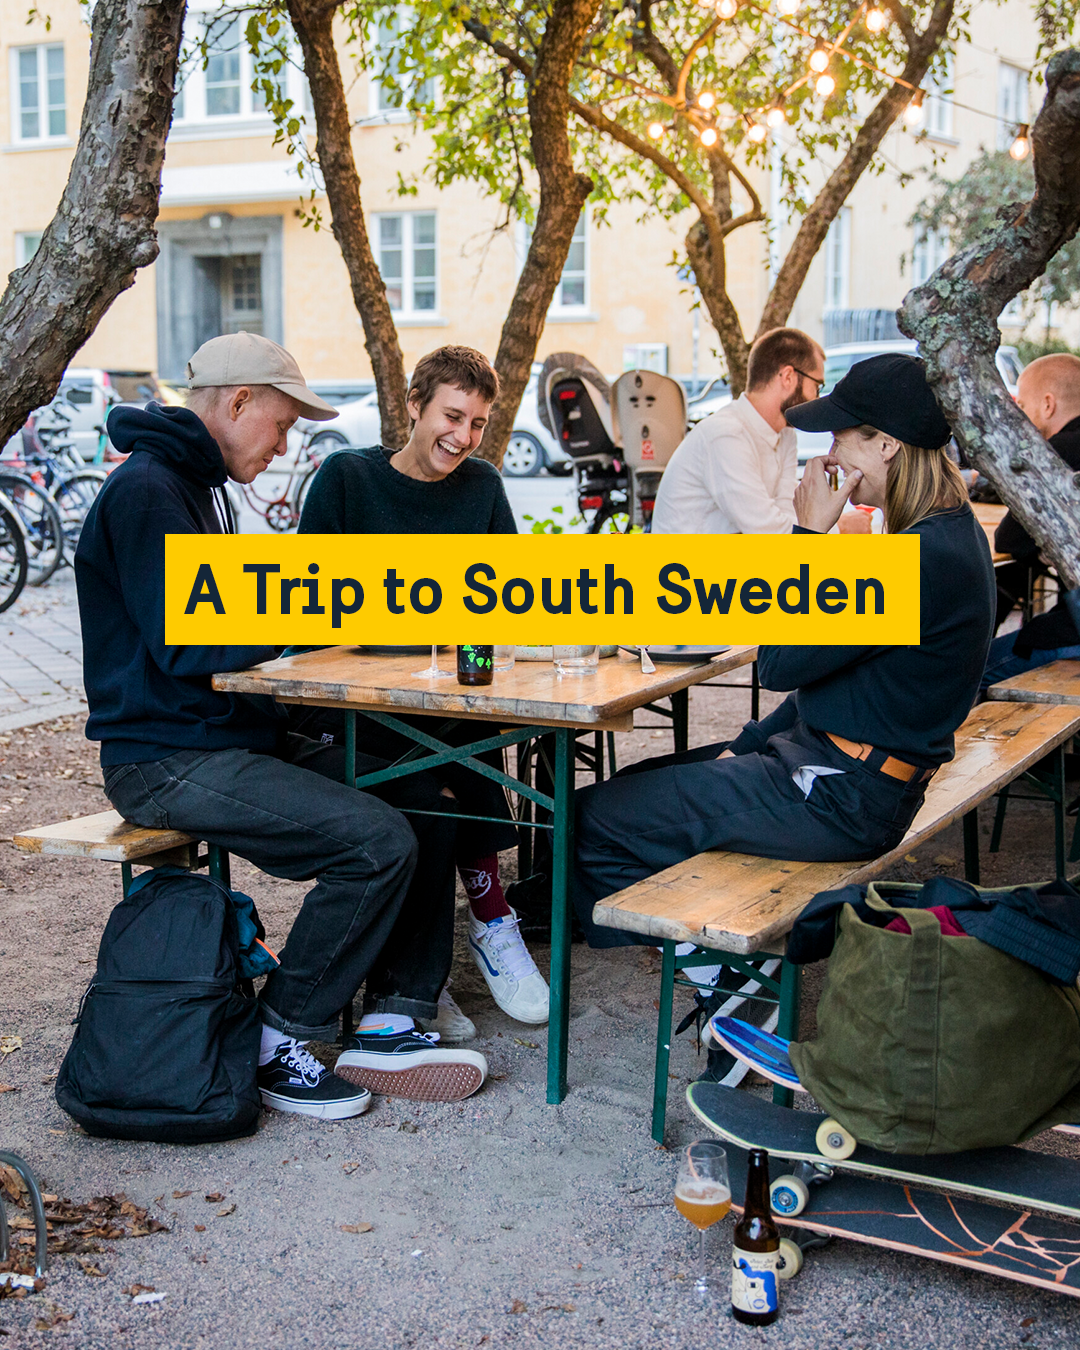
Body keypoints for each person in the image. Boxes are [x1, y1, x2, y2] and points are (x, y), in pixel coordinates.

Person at [75, 331, 487, 1122]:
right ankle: (279, 1037)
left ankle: (393, 1015)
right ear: (237, 404)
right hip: (163, 760)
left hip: (222, 736)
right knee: (375, 841)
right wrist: (313, 609)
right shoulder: (149, 492)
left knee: (424, 797)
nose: (285, 443)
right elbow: (186, 639)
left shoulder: (195, 486)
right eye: (283, 424)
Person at [573, 354, 995, 953]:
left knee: (597, 819)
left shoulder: (919, 560)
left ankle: (713, 972)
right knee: (635, 781)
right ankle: (576, 915)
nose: (828, 457)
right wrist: (739, 747)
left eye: (842, 439)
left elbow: (777, 665)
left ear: (887, 448)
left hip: (842, 796)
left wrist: (807, 539)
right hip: (842, 771)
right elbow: (816, 683)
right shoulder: (947, 532)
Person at [295, 345, 550, 1033]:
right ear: (413, 404)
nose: (463, 437)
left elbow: (509, 601)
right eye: (452, 415)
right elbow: (307, 608)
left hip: (448, 695)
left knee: (472, 730)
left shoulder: (482, 487)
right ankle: (474, 927)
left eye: (478, 423)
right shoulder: (347, 478)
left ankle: (479, 929)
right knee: (440, 773)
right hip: (360, 707)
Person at [651, 328, 825, 536]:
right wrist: (838, 529)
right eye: (817, 386)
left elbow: (788, 512)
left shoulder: (785, 435)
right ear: (788, 377)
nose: (817, 398)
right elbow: (766, 529)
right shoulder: (725, 434)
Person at [981, 354, 1080, 686]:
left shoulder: (1055, 452)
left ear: (1048, 405)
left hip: (1074, 632)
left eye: (1021, 405)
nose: (1017, 418)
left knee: (967, 677)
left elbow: (1008, 539)